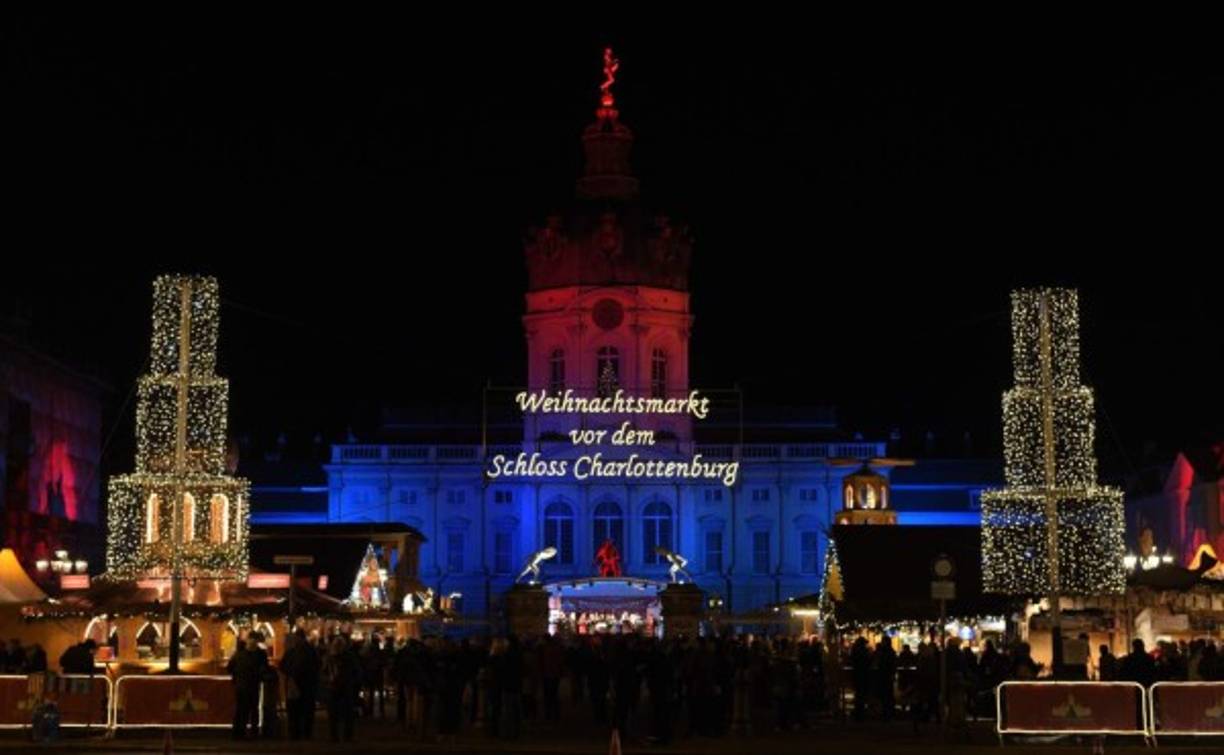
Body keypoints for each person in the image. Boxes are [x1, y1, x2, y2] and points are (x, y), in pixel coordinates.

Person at [227, 630, 268, 739]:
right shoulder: (260, 654)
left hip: (243, 685)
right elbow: (264, 669)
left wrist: (235, 677)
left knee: (242, 710)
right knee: (251, 710)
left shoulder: (240, 654)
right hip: (251, 685)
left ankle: (239, 732)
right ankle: (249, 732)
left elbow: (230, 668)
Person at [281, 630, 320, 740]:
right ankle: (306, 733)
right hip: (308, 685)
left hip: (295, 685)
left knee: (294, 711)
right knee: (307, 711)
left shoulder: (291, 651)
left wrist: (291, 674)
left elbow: (283, 666)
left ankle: (295, 733)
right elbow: (317, 666)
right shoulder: (311, 651)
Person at [323, 635, 361, 742]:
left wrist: (328, 680)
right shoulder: (349, 657)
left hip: (335, 687)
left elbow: (323, 672)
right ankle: (346, 736)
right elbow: (357, 671)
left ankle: (335, 735)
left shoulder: (330, 657)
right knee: (347, 713)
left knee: (334, 714)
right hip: (345, 686)